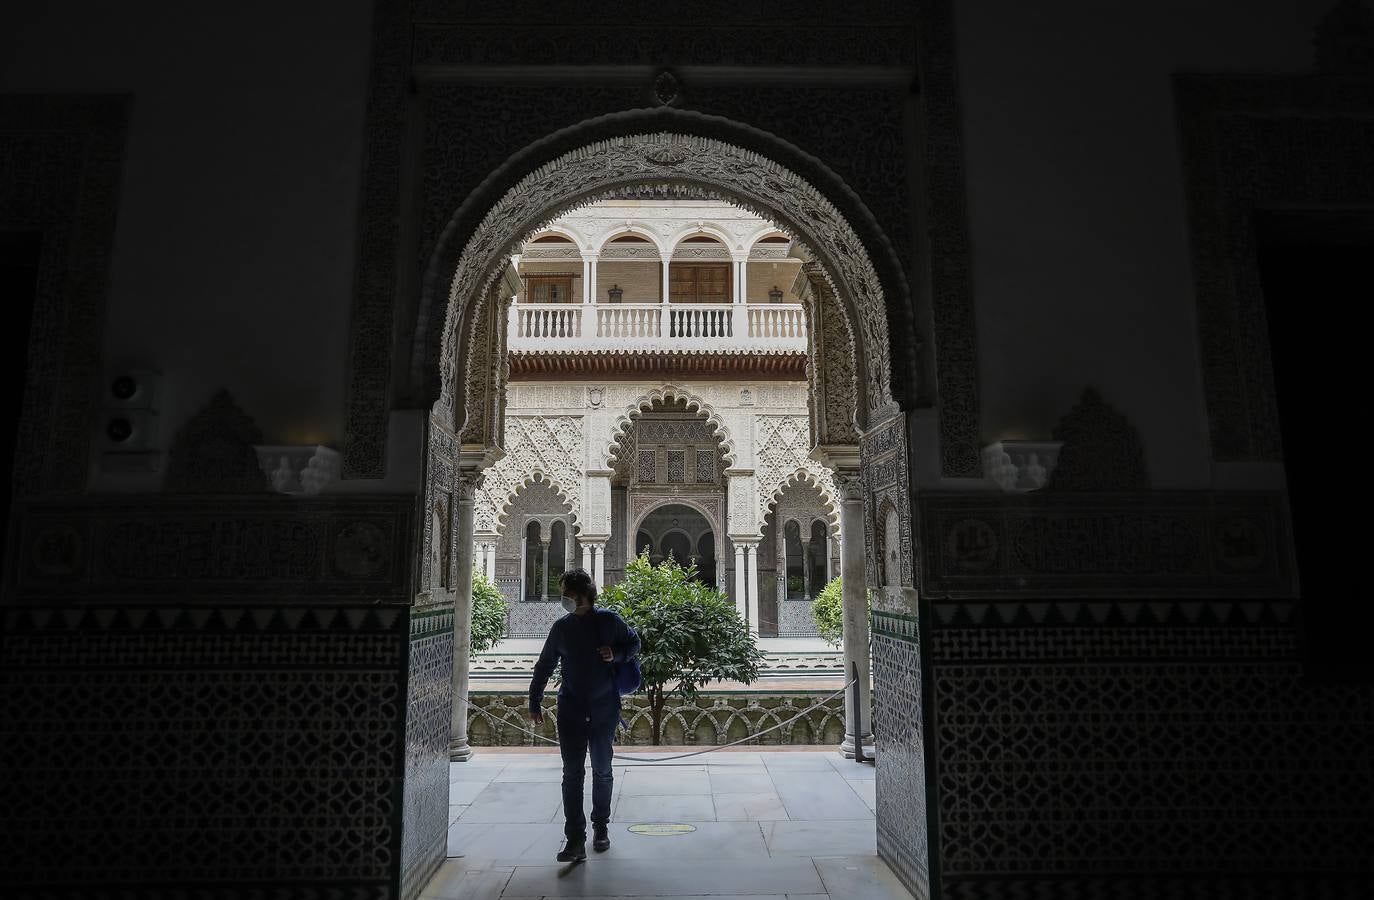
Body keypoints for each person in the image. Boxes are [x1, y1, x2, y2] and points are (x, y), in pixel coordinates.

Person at [528, 567, 640, 862]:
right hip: (571, 708)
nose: (562, 597)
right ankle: (575, 838)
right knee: (572, 773)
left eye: (566, 592)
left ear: (580, 595)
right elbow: (545, 665)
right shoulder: (562, 628)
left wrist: (615, 655)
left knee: (602, 770)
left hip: (603, 707)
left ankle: (600, 828)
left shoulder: (609, 621)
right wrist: (534, 699)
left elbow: (634, 643)